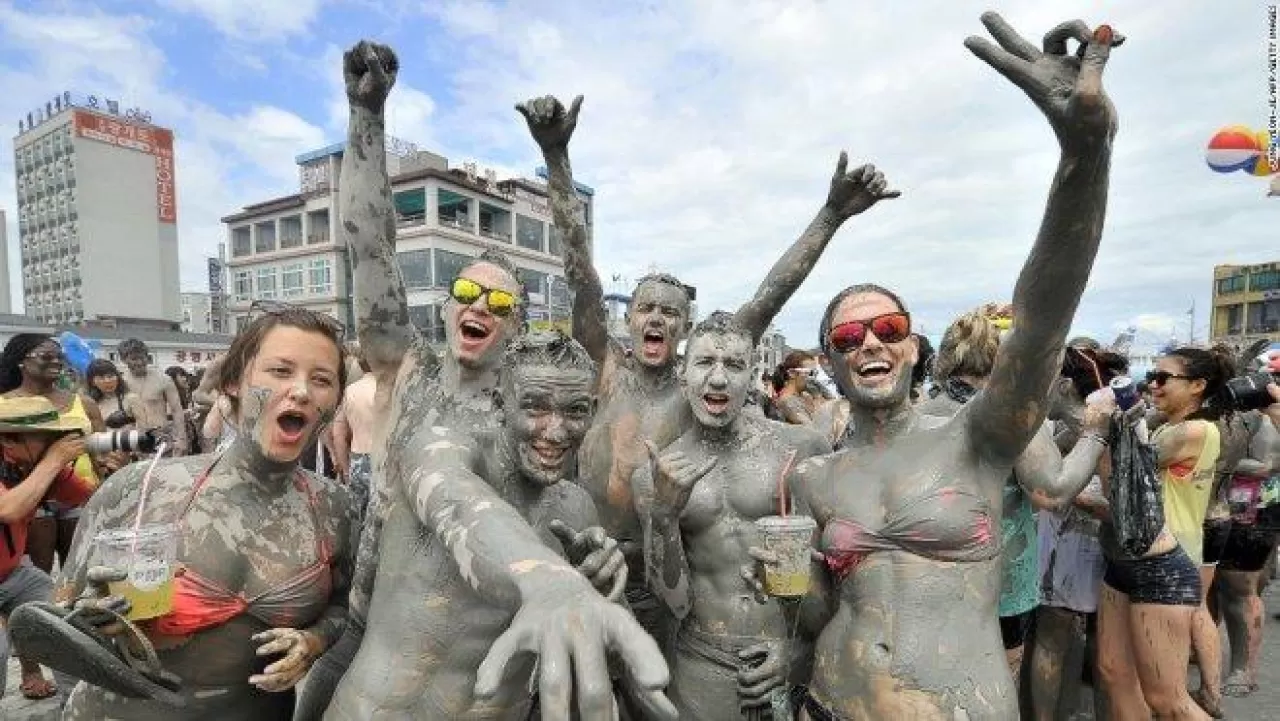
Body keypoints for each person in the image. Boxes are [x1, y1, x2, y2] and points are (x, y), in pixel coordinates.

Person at [782, 14, 1121, 719]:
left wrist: (1086, 154)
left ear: (913, 347)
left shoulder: (976, 434)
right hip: (829, 700)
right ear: (830, 361)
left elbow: (1041, 318)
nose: (869, 343)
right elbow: (816, 612)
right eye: (848, 337)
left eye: (889, 328)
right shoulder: (817, 474)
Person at [518, 90, 899, 647]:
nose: (655, 319)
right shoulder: (606, 373)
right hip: (586, 559)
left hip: (669, 574)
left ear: (683, 328)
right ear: (629, 320)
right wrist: (556, 158)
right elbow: (581, 275)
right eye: (645, 307)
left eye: (669, 313)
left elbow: (770, 294)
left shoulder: (699, 384)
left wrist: (832, 214)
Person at [292, 41, 540, 720]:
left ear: (517, 326)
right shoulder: (409, 373)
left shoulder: (529, 415)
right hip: (366, 632)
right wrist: (366, 114)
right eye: (467, 290)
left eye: (500, 302)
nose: (479, 306)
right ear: (446, 303)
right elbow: (370, 244)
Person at [324, 331, 674, 720]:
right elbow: (458, 501)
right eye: (535, 407)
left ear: (592, 409)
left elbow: (612, 657)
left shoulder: (576, 510)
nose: (556, 431)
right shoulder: (438, 446)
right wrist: (552, 577)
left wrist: (602, 590)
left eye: (575, 411)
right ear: (499, 403)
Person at [52, 304, 359, 720]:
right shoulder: (140, 487)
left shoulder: (335, 508)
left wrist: (314, 641)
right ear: (233, 382)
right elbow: (55, 622)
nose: (302, 391)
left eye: (321, 380)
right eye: (281, 371)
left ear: (336, 399)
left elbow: (345, 606)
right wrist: (89, 617)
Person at [632, 312, 830, 718]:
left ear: (751, 373)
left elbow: (834, 575)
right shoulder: (655, 475)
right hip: (702, 661)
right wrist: (664, 515)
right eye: (704, 363)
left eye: (734, 365)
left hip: (787, 652)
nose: (718, 379)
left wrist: (798, 651)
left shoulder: (802, 451)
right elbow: (672, 602)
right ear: (683, 374)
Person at [917, 308, 1114, 712]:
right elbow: (1051, 492)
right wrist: (1096, 431)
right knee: (994, 689)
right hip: (999, 577)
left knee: (933, 687)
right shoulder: (1015, 414)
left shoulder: (919, 408)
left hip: (924, 576)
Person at [1095, 347, 1228, 721]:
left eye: (1163, 378)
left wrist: (1105, 425)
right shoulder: (1169, 425)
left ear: (1198, 386)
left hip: (1166, 558)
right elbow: (1117, 485)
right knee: (1115, 672)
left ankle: (1213, 693)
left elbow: (1127, 471)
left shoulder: (1196, 430)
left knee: (1166, 699)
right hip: (1132, 553)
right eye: (1152, 376)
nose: (1153, 384)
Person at [1029, 343, 1126, 721]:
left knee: (1063, 642)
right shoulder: (1111, 420)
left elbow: (1122, 507)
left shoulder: (1092, 429)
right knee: (1101, 645)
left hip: (1079, 544)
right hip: (1088, 546)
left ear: (1065, 383)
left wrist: (1059, 497)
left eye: (1044, 382)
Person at [0, 396, 94, 701]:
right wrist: (53, 460)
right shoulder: (43, 464)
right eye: (48, 436)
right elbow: (8, 509)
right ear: (10, 441)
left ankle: (75, 707)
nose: (58, 443)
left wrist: (115, 469)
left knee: (66, 627)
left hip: (13, 573)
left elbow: (91, 498)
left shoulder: (35, 464)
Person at [0, 333, 105, 576]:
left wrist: (111, 474)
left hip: (66, 480)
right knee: (39, 567)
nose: (56, 361)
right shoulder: (5, 407)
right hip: (23, 488)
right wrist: (54, 458)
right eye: (47, 356)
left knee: (76, 569)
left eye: (60, 357)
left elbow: (97, 489)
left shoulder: (83, 402)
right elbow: (8, 509)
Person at [1212, 408, 1278, 698]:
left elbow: (1265, 465)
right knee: (1213, 587)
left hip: (1253, 506)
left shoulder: (1263, 418)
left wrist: (1218, 460)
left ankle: (1243, 668)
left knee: (1240, 589)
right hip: (1224, 504)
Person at [117, 339, 189, 456]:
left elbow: (176, 410)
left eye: (143, 358)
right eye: (134, 359)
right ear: (124, 360)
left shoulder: (163, 379)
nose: (140, 362)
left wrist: (181, 439)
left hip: (162, 440)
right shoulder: (120, 383)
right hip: (135, 443)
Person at [329, 373, 377, 521]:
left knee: (357, 516)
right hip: (383, 461)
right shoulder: (391, 388)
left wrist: (345, 470)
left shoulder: (351, 391)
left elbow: (338, 434)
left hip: (358, 460)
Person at [85, 358, 143, 476]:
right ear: (92, 381)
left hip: (129, 458)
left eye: (111, 376)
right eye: (101, 378)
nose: (107, 381)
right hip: (102, 461)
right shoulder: (90, 403)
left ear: (117, 377)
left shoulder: (130, 399)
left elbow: (144, 429)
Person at [770, 351, 824, 425]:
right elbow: (812, 430)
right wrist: (818, 400)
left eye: (815, 373)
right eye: (810, 373)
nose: (814, 378)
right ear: (792, 373)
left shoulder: (803, 396)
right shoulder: (787, 401)